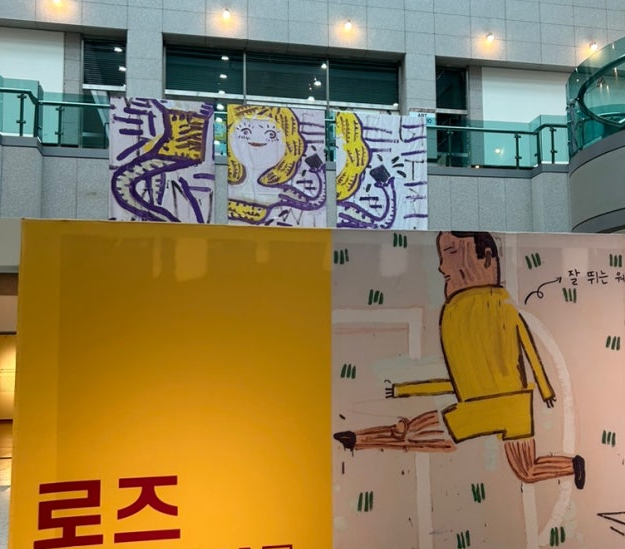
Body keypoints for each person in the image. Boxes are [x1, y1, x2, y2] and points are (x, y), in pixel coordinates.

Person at [335, 231, 585, 488]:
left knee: (417, 433)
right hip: (505, 408)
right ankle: (358, 439)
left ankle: (360, 439)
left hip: (496, 409)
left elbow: (528, 353)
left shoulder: (484, 312)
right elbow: (458, 381)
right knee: (525, 469)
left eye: (452, 253)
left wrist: (546, 390)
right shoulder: (458, 314)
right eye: (442, 257)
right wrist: (403, 390)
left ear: (486, 258)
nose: (442, 266)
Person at [227, 105, 325, 226]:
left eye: (271, 134)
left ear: (289, 144)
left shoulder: (285, 193)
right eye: (245, 132)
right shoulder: (220, 184)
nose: (257, 138)